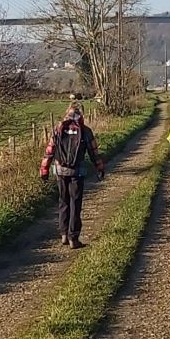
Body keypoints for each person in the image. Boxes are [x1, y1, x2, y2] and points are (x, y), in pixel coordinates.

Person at [41, 103, 106, 249]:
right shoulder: (85, 130)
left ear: (67, 113)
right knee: (75, 203)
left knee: (63, 200)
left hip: (60, 171)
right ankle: (73, 238)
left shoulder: (58, 129)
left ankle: (63, 234)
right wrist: (100, 167)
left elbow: (49, 151)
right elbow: (94, 152)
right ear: (81, 115)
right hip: (77, 172)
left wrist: (44, 169)